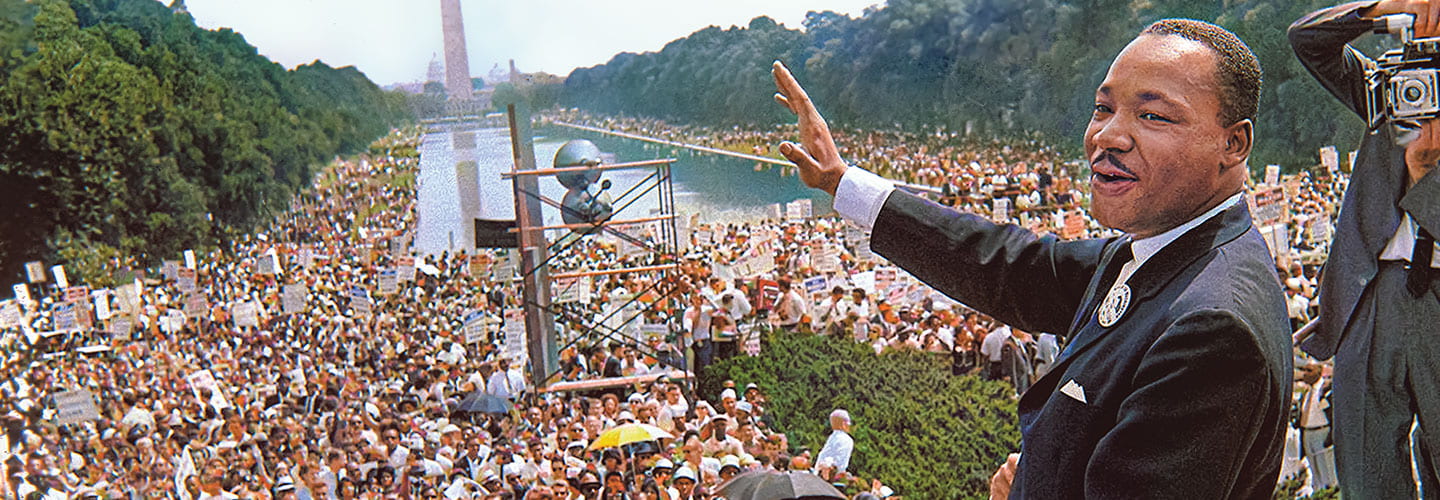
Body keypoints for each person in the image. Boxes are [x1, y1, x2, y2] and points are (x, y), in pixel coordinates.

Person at [772, 17, 1291, 498]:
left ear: (1234, 144)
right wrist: (842, 183)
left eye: (1152, 115)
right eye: (1103, 108)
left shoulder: (1211, 329)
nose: (1107, 136)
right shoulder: (1161, 252)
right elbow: (1008, 265)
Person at [1290, 1, 1440, 497]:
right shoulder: (1389, 88)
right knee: (1367, 467)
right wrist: (1385, 9)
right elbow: (1308, 41)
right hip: (1373, 294)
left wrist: (1425, 178)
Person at [813, 409, 853, 481]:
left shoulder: (832, 437)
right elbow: (840, 463)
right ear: (844, 424)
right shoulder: (846, 439)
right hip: (832, 477)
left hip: (820, 474)